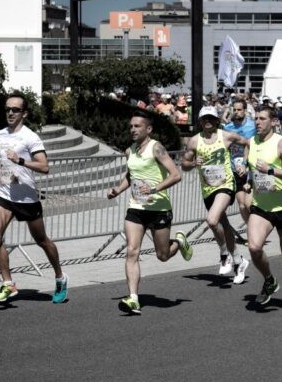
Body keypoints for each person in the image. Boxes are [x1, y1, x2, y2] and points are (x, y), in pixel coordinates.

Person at [107, 111, 192, 315]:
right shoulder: (130, 151)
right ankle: (133, 298)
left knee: (163, 255)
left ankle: (178, 242)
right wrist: (117, 189)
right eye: (131, 126)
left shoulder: (156, 148)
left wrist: (154, 189)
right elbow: (131, 175)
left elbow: (176, 175)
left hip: (159, 208)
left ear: (148, 129)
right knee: (132, 251)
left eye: (137, 126)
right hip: (136, 208)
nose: (133, 129)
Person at [0, 93, 68, 305]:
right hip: (5, 194)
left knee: (42, 241)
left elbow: (45, 166)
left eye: (15, 110)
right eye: (7, 109)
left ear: (24, 113)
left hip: (26, 197)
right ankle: (8, 284)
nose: (10, 113)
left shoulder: (30, 137)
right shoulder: (0, 134)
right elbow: (1, 159)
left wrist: (21, 161)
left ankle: (60, 277)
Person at [182, 107, 250, 284]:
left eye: (211, 118)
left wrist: (244, 164)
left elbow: (248, 143)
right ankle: (239, 261)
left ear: (217, 121)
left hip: (225, 184)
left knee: (212, 220)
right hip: (207, 189)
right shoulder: (194, 141)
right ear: (200, 121)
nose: (208, 121)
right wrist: (193, 163)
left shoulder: (226, 136)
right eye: (205, 118)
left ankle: (224, 254)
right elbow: (184, 164)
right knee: (224, 224)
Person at [244, 106, 282, 307]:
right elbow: (251, 167)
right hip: (261, 206)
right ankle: (269, 280)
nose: (257, 122)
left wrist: (271, 171)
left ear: (274, 121)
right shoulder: (251, 142)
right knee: (254, 247)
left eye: (262, 118)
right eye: (256, 118)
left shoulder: (281, 143)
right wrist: (247, 178)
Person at [224, 99, 257, 225]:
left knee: (249, 204)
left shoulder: (253, 126)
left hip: (251, 168)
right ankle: (251, 229)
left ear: (245, 111)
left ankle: (256, 227)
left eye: (239, 109)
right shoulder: (228, 128)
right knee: (242, 205)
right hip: (235, 169)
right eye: (235, 110)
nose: (236, 112)